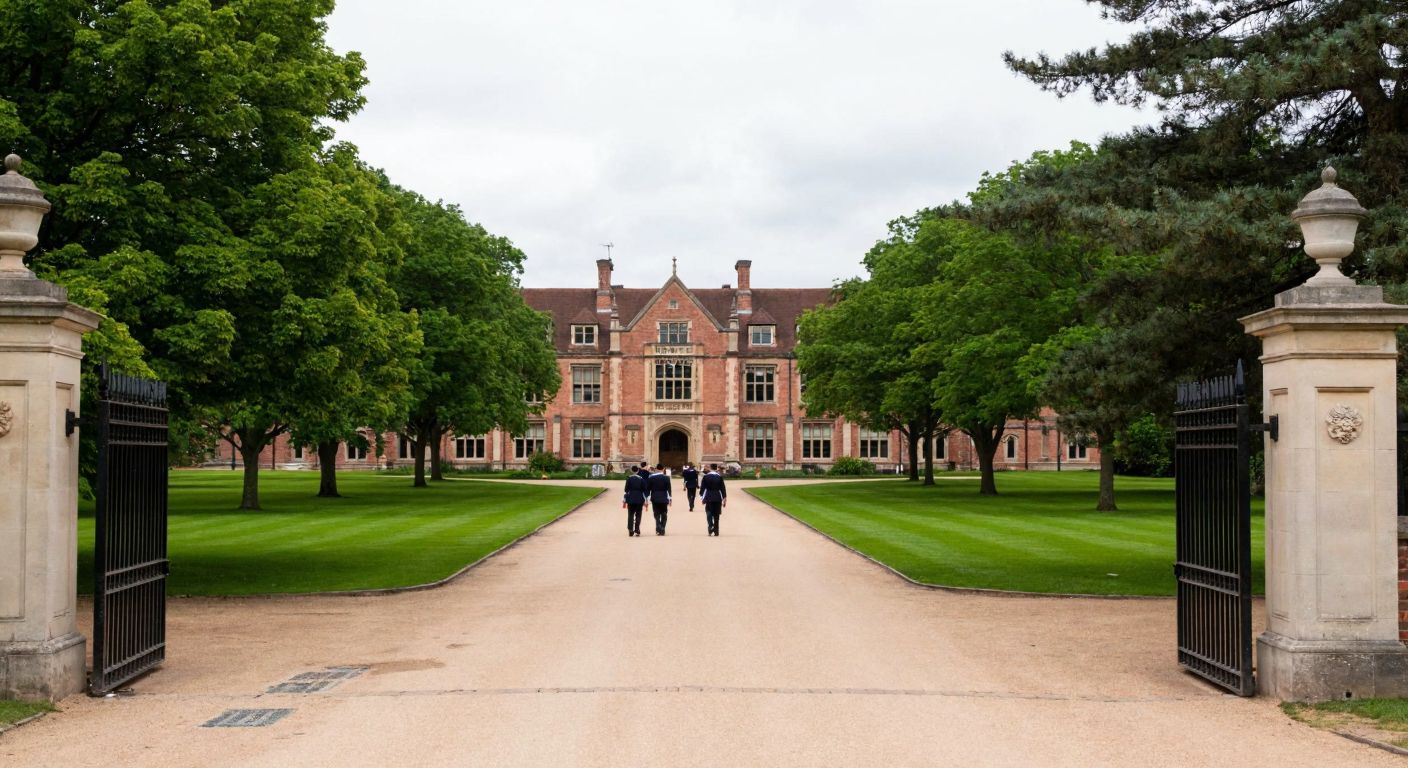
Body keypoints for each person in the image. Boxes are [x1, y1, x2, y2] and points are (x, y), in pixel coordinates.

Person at [699, 463, 727, 536]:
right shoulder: (719, 477)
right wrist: (724, 498)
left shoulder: (706, 477)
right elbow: (723, 489)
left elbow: (703, 488)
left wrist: (702, 497)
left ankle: (710, 525)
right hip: (717, 497)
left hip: (709, 496)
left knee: (709, 512)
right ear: (716, 468)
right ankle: (716, 530)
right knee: (716, 514)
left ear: (710, 468)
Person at [647, 463, 672, 535]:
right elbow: (669, 489)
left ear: (656, 469)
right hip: (664, 497)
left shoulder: (651, 477)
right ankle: (663, 528)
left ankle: (658, 526)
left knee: (656, 513)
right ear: (663, 469)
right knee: (664, 513)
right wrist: (670, 499)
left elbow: (648, 489)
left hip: (655, 497)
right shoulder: (666, 478)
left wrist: (647, 498)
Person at [623, 464, 647, 537]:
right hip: (639, 498)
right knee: (638, 514)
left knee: (630, 514)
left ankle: (630, 530)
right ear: (638, 471)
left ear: (631, 471)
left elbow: (626, 489)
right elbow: (644, 489)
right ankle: (637, 529)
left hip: (630, 498)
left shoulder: (629, 478)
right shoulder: (641, 479)